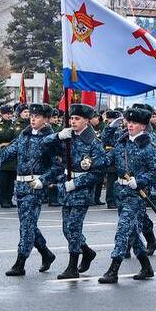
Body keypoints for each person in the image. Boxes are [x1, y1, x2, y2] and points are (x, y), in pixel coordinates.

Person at [98, 106, 156, 283]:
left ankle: (113, 269)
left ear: (143, 126)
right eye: (128, 121)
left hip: (136, 193)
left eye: (134, 122)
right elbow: (107, 157)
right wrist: (89, 163)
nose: (130, 125)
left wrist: (140, 180)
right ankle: (146, 266)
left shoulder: (150, 144)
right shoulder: (123, 141)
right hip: (120, 191)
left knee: (123, 229)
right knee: (133, 231)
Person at [0, 102, 60, 276]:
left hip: (35, 187)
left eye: (37, 116)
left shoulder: (50, 140)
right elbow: (6, 153)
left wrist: (43, 180)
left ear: (46, 119)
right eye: (31, 116)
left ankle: (20, 263)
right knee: (28, 225)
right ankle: (46, 254)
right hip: (20, 187)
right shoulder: (24, 135)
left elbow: (57, 167)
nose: (33, 119)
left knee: (26, 227)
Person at [53, 103, 110, 278]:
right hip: (66, 188)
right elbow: (45, 148)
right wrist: (57, 137)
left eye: (77, 118)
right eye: (71, 118)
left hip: (81, 191)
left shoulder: (94, 142)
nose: (73, 121)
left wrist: (77, 183)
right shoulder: (68, 137)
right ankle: (87, 251)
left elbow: (99, 171)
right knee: (66, 229)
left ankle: (72, 266)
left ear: (86, 121)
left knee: (73, 227)